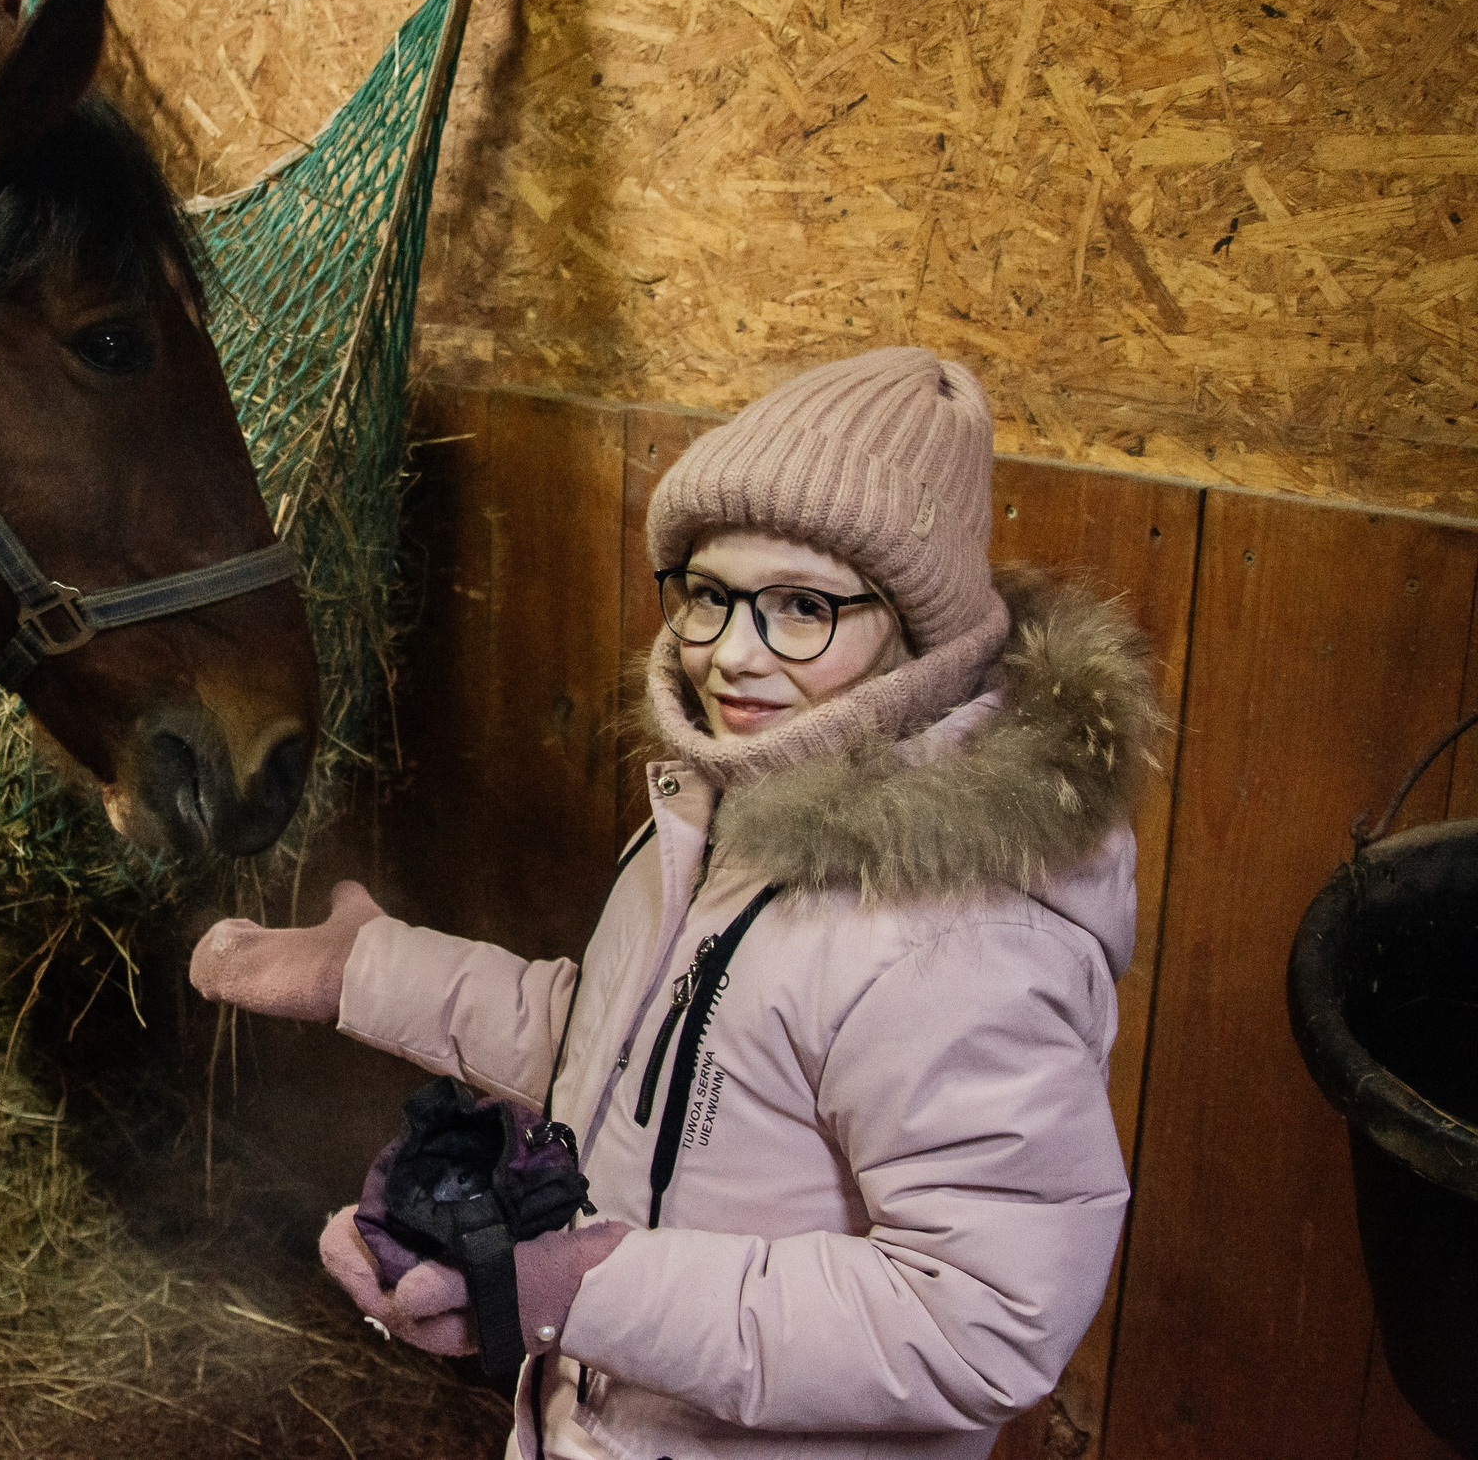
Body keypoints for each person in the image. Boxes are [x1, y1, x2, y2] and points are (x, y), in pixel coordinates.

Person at [190, 347, 1160, 1460]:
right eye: (708, 594)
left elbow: (983, 1317)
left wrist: (578, 1290)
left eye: (802, 606)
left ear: (919, 627)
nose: (732, 655)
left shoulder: (961, 937)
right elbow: (640, 1053)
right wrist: (370, 970)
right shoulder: (722, 809)